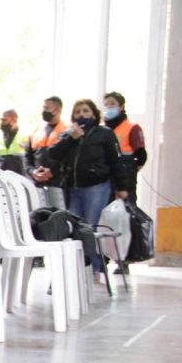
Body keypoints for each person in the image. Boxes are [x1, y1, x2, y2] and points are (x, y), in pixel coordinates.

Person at [47, 98, 128, 276]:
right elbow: (53, 154)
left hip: (96, 186)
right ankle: (78, 267)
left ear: (93, 114)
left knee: (91, 227)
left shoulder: (104, 133)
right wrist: (71, 139)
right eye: (78, 112)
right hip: (72, 186)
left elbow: (115, 161)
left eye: (85, 111)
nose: (81, 114)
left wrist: (122, 186)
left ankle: (95, 267)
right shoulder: (68, 134)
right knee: (75, 228)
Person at [102, 91, 147, 207]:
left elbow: (141, 156)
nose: (108, 107)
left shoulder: (132, 128)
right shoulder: (101, 130)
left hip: (125, 176)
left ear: (121, 106)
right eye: (106, 105)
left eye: (112, 104)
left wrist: (129, 170)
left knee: (126, 210)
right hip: (105, 175)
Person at [26, 95, 68, 211]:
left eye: (47, 108)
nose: (44, 111)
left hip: (59, 184)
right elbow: (27, 157)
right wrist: (33, 172)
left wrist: (53, 172)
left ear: (58, 110)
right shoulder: (36, 131)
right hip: (37, 184)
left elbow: (69, 159)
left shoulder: (67, 130)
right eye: (43, 108)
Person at [0, 109, 24, 174]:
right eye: (0, 120)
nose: (1, 123)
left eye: (4, 120)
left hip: (17, 173)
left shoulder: (25, 135)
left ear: (14, 121)